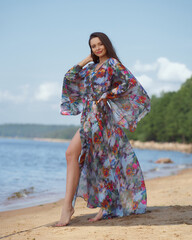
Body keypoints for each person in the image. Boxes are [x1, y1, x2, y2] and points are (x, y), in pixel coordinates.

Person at [53, 32, 151, 227]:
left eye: (99, 44)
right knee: (71, 154)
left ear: (106, 44)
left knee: (103, 162)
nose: (97, 48)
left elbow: (129, 84)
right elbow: (69, 77)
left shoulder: (113, 64)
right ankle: (67, 207)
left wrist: (108, 94)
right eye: (93, 46)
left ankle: (104, 207)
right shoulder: (90, 68)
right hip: (88, 118)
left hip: (104, 119)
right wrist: (87, 59)